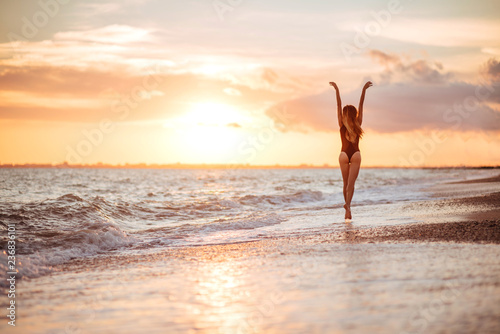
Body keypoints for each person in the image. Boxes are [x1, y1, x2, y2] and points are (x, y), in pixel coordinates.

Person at [329, 81, 372, 219]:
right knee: (351, 184)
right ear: (354, 114)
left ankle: (347, 207)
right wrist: (364, 90)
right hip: (356, 155)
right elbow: (361, 105)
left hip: (343, 155)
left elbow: (338, 105)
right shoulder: (358, 123)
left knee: (345, 183)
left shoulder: (341, 124)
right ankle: (348, 206)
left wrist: (336, 90)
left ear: (344, 114)